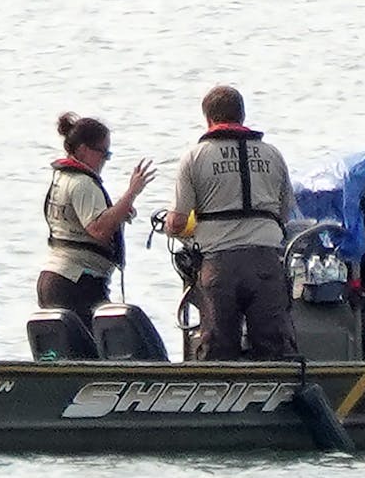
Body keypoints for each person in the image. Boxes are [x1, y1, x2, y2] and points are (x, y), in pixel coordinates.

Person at [164, 85, 298, 361]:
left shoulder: (195, 157)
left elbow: (177, 222)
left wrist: (170, 226)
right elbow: (285, 214)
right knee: (275, 348)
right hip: (266, 262)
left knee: (218, 349)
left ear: (208, 119)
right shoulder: (272, 154)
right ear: (243, 115)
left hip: (219, 267)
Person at [38, 112, 155, 320]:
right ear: (83, 150)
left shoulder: (62, 178)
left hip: (55, 278)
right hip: (77, 283)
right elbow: (99, 229)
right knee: (104, 344)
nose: (105, 160)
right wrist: (132, 193)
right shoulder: (82, 183)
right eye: (104, 153)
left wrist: (120, 210)